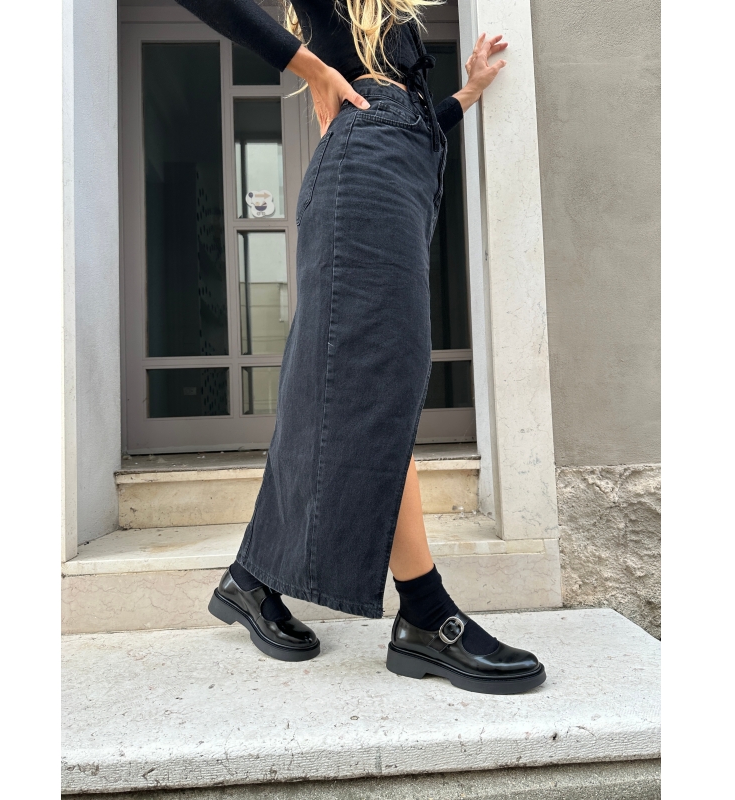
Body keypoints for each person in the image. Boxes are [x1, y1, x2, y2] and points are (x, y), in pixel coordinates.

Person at [174, 0, 545, 695]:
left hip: (402, 174)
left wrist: (466, 92)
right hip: (367, 173)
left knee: (356, 387)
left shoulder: (392, 22)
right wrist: (311, 68)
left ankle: (252, 579)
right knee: (374, 385)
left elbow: (411, 120)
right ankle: (425, 612)